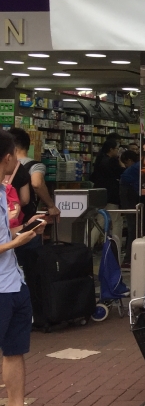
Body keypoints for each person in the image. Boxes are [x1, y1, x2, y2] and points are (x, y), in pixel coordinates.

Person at [0, 130, 38, 406]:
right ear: (8, 157)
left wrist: (25, 229)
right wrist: (17, 243)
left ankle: (16, 403)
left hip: (14, 282)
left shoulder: (4, 191)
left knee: (15, 351)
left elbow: (5, 235)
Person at [8, 128, 58, 224]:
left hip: (7, 218)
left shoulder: (5, 164)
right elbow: (37, 183)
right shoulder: (35, 165)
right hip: (25, 218)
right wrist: (51, 205)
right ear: (28, 146)